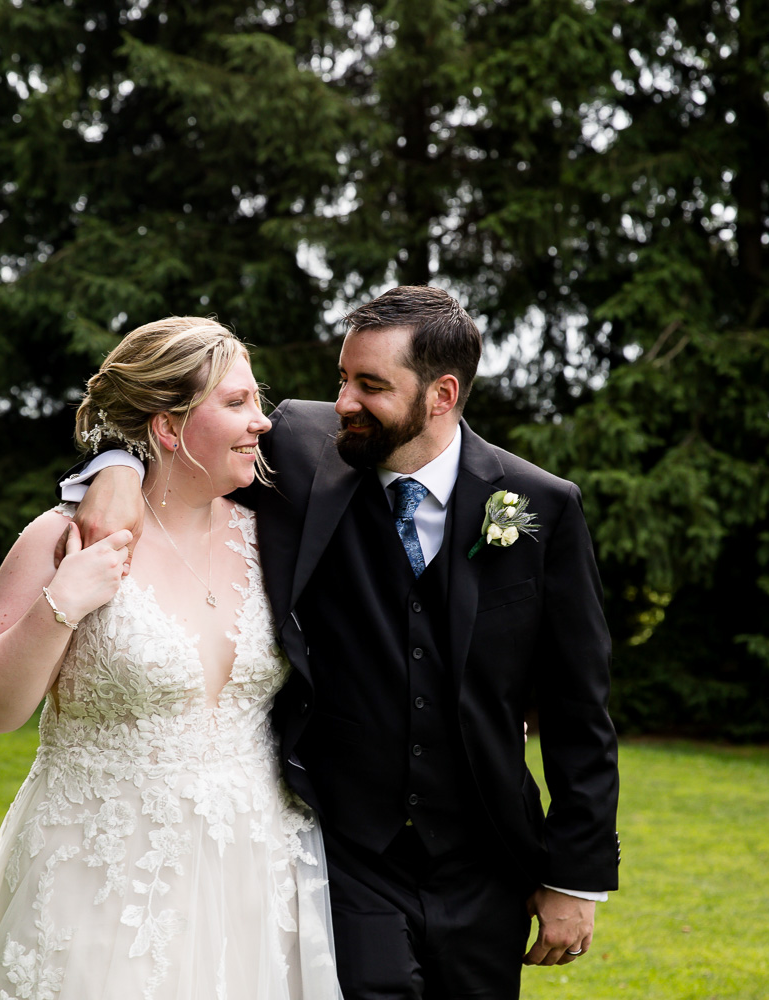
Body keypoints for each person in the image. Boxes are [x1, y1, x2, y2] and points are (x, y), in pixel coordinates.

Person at [66, 286, 620, 999]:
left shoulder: (540, 504)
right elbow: (167, 427)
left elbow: (581, 710)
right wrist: (116, 467)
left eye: (371, 385)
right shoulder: (297, 445)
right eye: (342, 377)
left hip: (486, 857)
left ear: (442, 393)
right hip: (348, 849)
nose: (345, 401)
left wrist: (573, 878)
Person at [0, 317, 343, 1000]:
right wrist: (61, 602)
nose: (263, 422)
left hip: (257, 871)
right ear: (169, 428)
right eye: (236, 403)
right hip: (97, 873)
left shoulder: (276, 536)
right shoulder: (64, 537)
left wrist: (111, 458)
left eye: (256, 399)